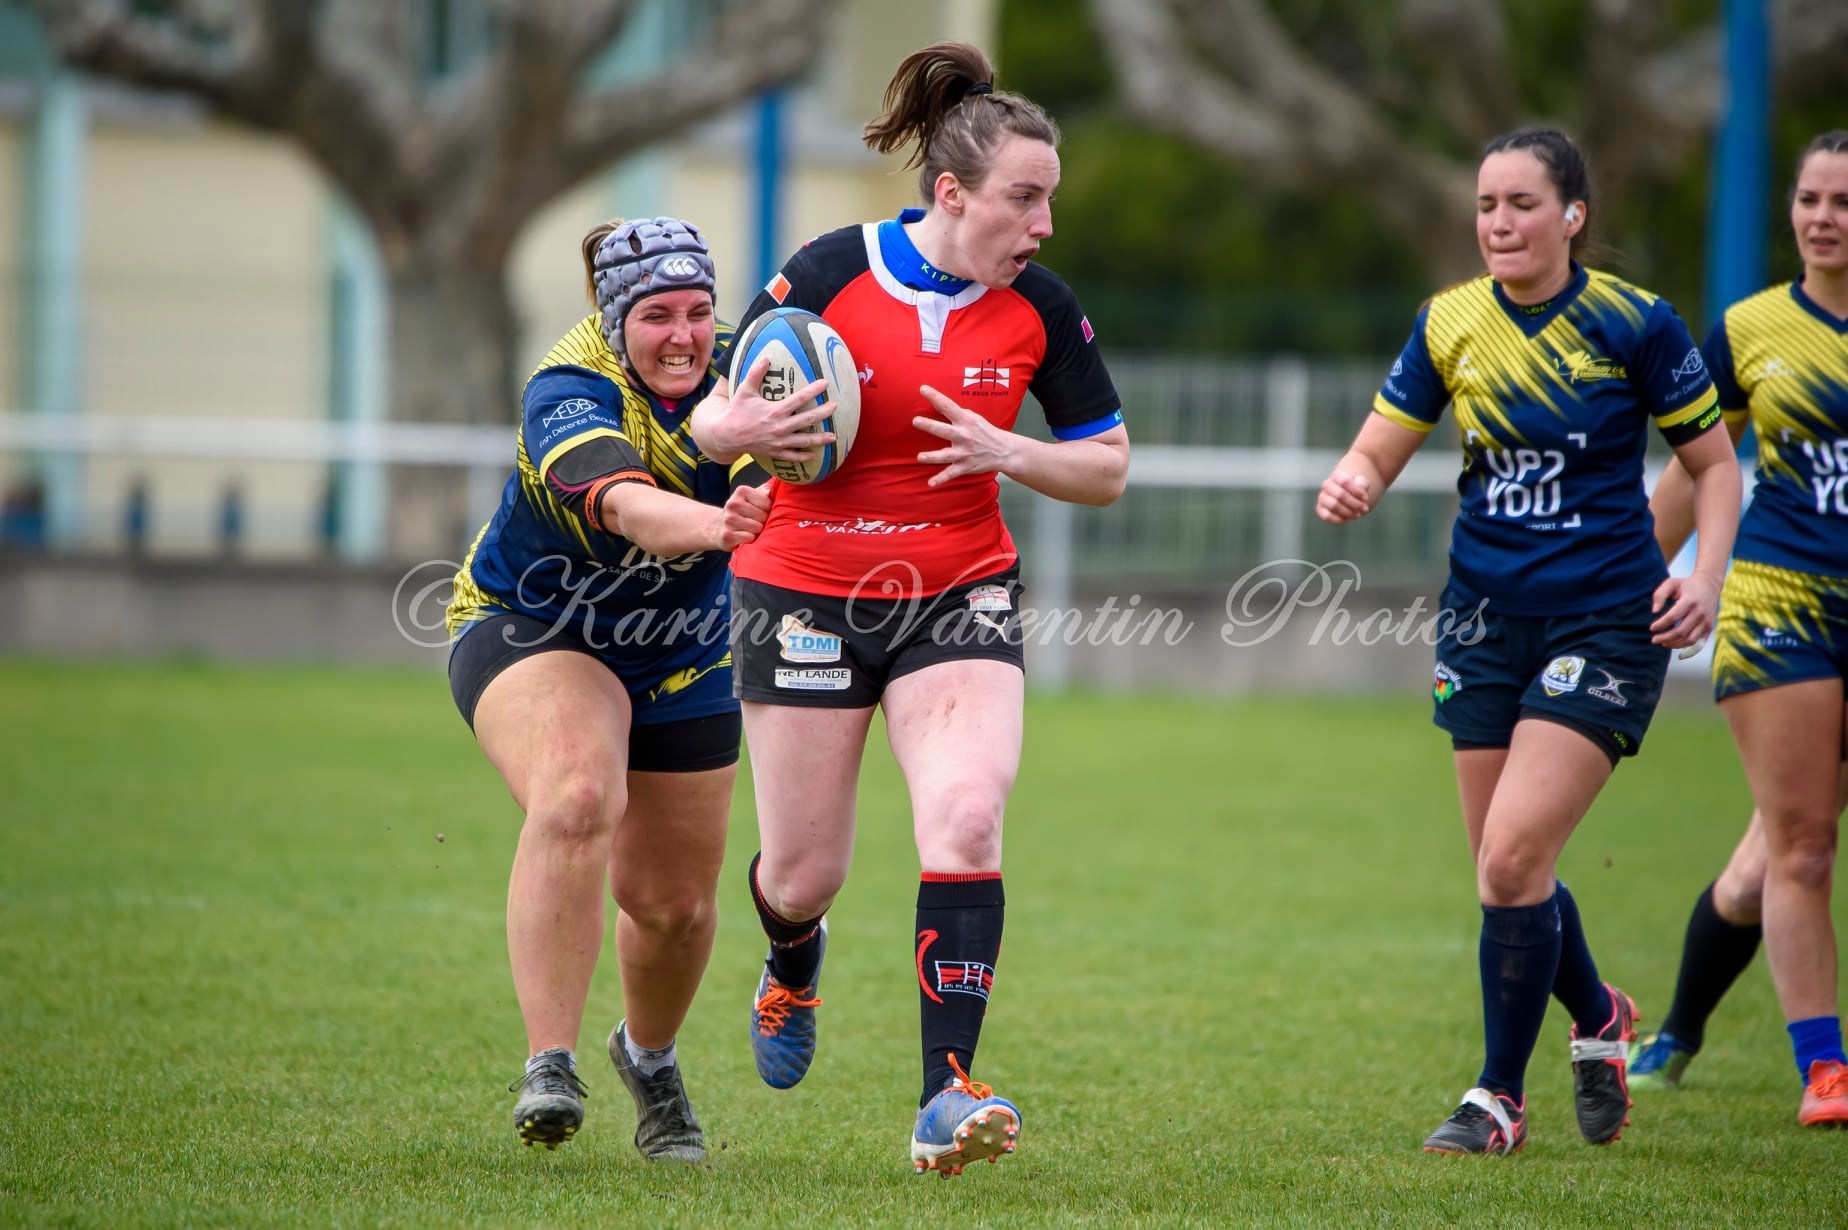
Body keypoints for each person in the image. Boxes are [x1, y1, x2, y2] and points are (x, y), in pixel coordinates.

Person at [690, 41, 1129, 1176]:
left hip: (959, 590)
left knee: (970, 817)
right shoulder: (829, 269)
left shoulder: (1040, 306)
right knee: (802, 874)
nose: (1041, 226)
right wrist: (735, 432)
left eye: (1049, 202)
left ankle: (946, 1093)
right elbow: (712, 416)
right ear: (951, 194)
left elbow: (1108, 464)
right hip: (802, 590)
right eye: (1023, 200)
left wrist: (1009, 451)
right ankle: (793, 960)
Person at [1317, 127, 1742, 1155]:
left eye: (1520, 204)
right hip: (1482, 619)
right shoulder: (1449, 321)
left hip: (1605, 615)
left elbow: (1716, 467)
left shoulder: (1633, 324)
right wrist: (1356, 479)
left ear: (1573, 217)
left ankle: (1495, 1098)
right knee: (1507, 870)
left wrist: (1707, 580)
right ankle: (1598, 1017)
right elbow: (1384, 439)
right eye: (1485, 206)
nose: (1498, 224)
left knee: (1512, 856)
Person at [443, 216, 824, 1159]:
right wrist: (718, 516)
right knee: (578, 795)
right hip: (531, 624)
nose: (685, 336)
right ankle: (551, 1063)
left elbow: (791, 466)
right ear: (614, 321)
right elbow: (625, 506)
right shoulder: (568, 387)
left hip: (682, 648)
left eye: (699, 311)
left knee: (674, 906)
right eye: (657, 315)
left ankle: (647, 1057)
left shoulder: (747, 364)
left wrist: (772, 475)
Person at [1633, 130, 1848, 1124]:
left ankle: (1676, 1028)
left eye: (1842, 202)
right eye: (1809, 198)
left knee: (1766, 863)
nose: (1822, 218)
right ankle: (1826, 1071)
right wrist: (1621, 584)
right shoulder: (1753, 328)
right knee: (1806, 847)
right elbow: (1695, 467)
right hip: (1780, 603)